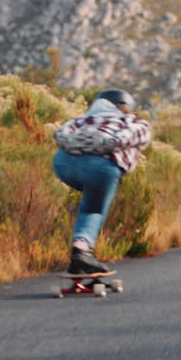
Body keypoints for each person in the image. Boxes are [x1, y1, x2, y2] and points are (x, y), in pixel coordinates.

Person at [52, 88, 152, 275]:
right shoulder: (131, 122)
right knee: (93, 208)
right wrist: (109, 143)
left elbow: (60, 134)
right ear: (124, 106)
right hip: (101, 165)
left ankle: (79, 257)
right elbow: (131, 137)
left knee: (89, 201)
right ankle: (82, 251)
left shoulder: (82, 120)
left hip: (63, 163)